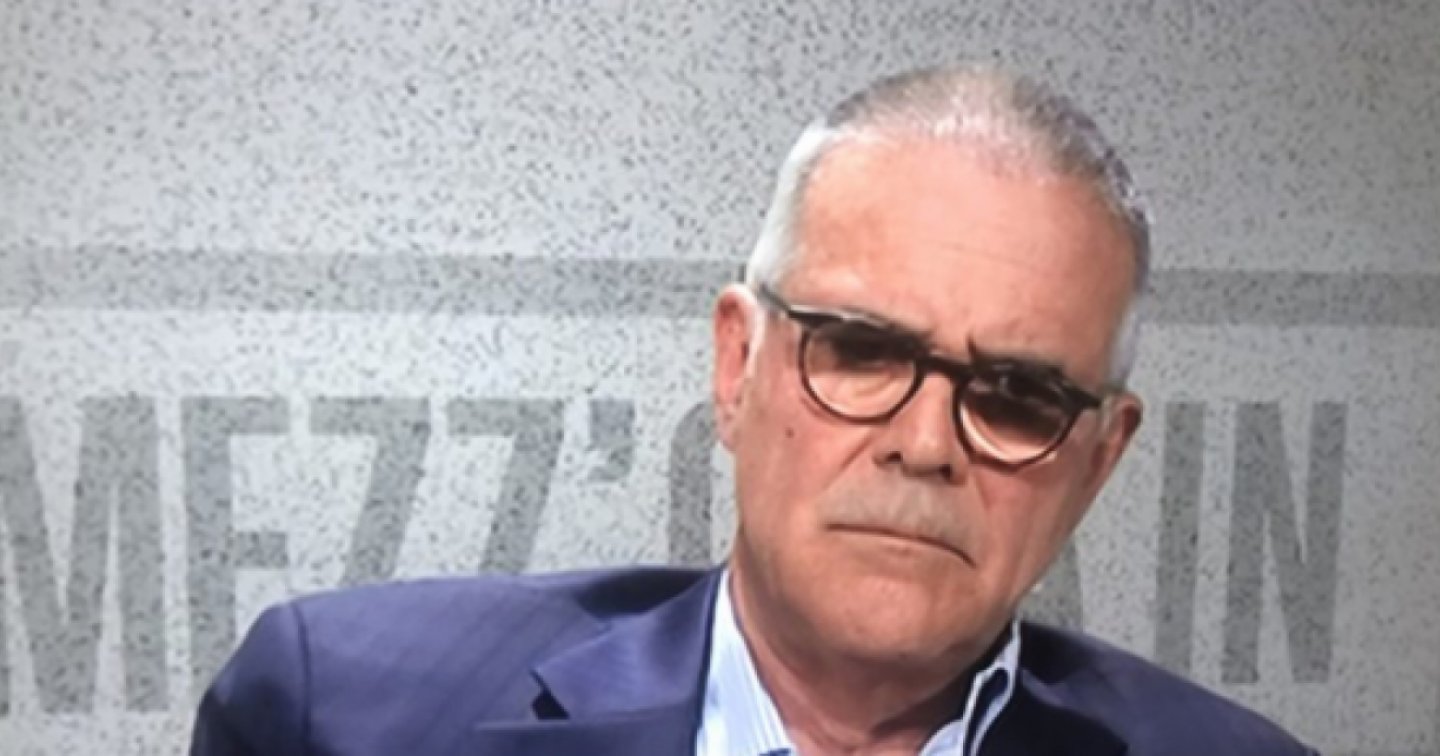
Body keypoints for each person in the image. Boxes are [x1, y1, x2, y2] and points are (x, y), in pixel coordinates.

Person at [190, 65, 1318, 755]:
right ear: (737, 366)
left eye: (1019, 397)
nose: (925, 444)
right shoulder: (340, 716)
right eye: (862, 351)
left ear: (1098, 461)